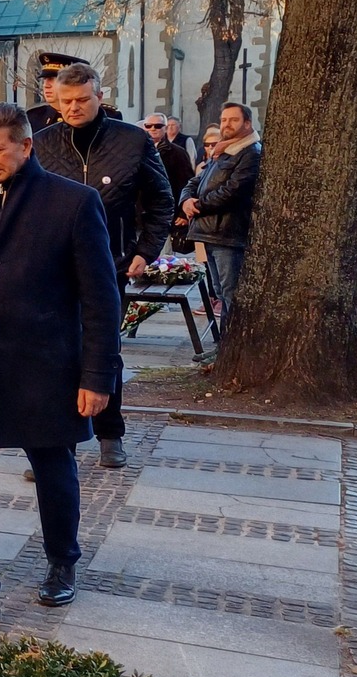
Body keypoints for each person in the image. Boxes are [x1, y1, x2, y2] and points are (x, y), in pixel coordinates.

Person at [0, 102, 122, 629]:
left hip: (46, 364)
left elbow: (102, 300)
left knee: (54, 469)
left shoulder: (74, 203)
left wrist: (98, 375)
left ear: (26, 146)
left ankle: (62, 562)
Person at [32, 63, 173, 469]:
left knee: (104, 345)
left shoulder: (131, 140)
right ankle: (61, 438)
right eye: (65, 101)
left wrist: (146, 249)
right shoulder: (42, 143)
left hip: (111, 261)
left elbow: (161, 200)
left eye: (81, 100)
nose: (73, 108)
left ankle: (111, 433)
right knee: (57, 350)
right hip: (52, 265)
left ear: (99, 97)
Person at [181, 101, 262, 320]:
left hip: (227, 233)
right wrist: (186, 200)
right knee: (218, 291)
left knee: (230, 293)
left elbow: (233, 191)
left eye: (234, 120)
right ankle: (224, 346)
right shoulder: (224, 150)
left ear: (247, 123)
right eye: (224, 119)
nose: (227, 124)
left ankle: (229, 346)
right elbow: (196, 181)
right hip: (207, 232)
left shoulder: (250, 152)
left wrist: (197, 206)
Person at [142, 112, 196, 200]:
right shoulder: (136, 150)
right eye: (148, 126)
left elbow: (185, 182)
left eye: (158, 126)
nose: (153, 129)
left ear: (165, 128)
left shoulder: (178, 152)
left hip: (167, 202)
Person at [28, 51, 86, 133]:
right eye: (44, 79)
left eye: (52, 79)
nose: (46, 85)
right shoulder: (34, 117)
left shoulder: (96, 116)